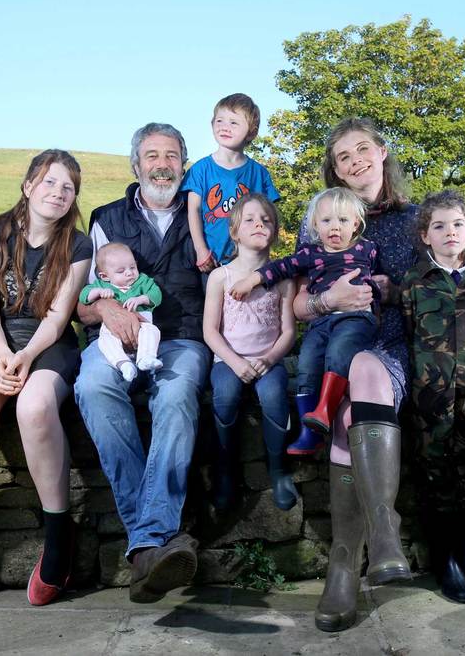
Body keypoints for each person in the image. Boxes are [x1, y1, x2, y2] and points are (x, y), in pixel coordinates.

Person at [0, 150, 92, 606]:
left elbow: (58, 315)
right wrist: (6, 356)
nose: (58, 193)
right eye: (49, 182)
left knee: (34, 406)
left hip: (48, 345)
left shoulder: (79, 244)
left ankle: (58, 533)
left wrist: (26, 356)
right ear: (28, 185)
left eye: (68, 187)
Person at [74, 123, 211, 604]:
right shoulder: (106, 218)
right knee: (91, 387)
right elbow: (82, 303)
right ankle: (153, 544)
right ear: (135, 165)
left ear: (184, 163)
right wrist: (107, 311)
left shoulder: (205, 215)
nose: (162, 164)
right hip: (111, 337)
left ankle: (144, 544)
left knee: (175, 395)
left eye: (172, 156)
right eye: (151, 155)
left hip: (182, 339)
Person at [298, 117, 418, 633]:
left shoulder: (416, 220)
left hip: (390, 347)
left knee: (365, 371)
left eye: (362, 150)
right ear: (335, 169)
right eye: (343, 156)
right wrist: (330, 299)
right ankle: (369, 546)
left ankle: (347, 563)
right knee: (347, 396)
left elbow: (444, 289)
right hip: (335, 350)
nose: (355, 161)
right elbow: (299, 303)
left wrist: (394, 292)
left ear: (383, 152)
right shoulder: (327, 215)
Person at [400, 190, 465, 604]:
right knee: (434, 478)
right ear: (425, 235)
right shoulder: (414, 283)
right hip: (430, 403)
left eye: (458, 224)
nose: (450, 232)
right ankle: (445, 561)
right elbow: (408, 336)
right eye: (439, 226)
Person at [230, 187, 379, 455]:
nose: (335, 228)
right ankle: (310, 433)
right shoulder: (310, 254)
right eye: (326, 221)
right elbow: (279, 267)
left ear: (356, 223)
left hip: (356, 317)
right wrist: (251, 280)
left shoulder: (367, 248)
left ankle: (324, 410)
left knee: (338, 350)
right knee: (308, 359)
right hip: (321, 320)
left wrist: (378, 291)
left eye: (343, 221)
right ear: (314, 225)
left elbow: (382, 280)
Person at [203, 193, 298, 511]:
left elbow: (288, 332)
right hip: (228, 360)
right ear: (234, 231)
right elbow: (210, 331)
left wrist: (269, 359)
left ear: (274, 230)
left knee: (274, 396)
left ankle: (278, 469)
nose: (259, 224)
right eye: (250, 220)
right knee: (225, 395)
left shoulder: (282, 280)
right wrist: (234, 362)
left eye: (266, 220)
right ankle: (226, 472)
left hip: (268, 360)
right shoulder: (221, 277)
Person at [181, 93, 280, 275]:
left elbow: (269, 218)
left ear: (251, 131)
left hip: (250, 262)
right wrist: (201, 250)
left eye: (234, 123)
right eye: (220, 121)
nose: (225, 127)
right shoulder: (200, 169)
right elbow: (193, 210)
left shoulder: (259, 173)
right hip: (211, 261)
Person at [79, 242, 163, 382]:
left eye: (132, 267)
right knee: (105, 341)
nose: (129, 272)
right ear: (105, 276)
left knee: (152, 331)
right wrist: (98, 292)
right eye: (121, 271)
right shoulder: (102, 285)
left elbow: (156, 294)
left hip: (141, 323)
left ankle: (146, 357)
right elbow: (84, 296)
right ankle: (123, 363)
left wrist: (142, 299)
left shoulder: (142, 281)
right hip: (113, 329)